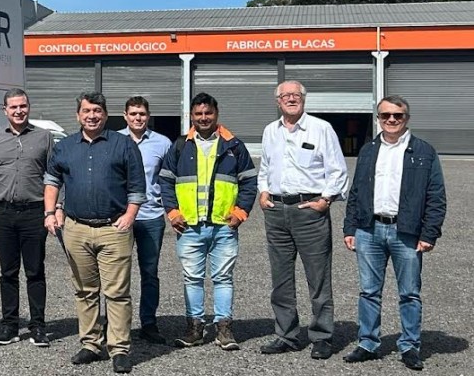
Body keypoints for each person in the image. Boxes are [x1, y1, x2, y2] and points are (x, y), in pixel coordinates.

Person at [43, 91, 145, 374]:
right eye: (86, 111)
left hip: (114, 228)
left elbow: (137, 186)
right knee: (85, 291)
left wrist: (129, 216)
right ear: (78, 115)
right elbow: (52, 181)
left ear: (106, 114)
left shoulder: (123, 145)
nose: (92, 116)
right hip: (76, 228)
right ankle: (91, 344)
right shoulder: (65, 146)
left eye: (97, 111)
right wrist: (50, 212)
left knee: (117, 292)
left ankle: (119, 349)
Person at [342, 95, 446, 371]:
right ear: (378, 118)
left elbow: (436, 196)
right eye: (385, 115)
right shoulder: (368, 150)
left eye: (397, 115)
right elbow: (356, 191)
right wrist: (350, 227)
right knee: (368, 291)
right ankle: (368, 343)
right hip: (369, 229)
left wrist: (429, 233)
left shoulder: (423, 151)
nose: (391, 120)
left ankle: (410, 346)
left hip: (406, 232)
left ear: (406, 118)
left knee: (409, 293)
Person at [256, 81, 348, 360]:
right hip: (276, 211)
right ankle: (287, 335)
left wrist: (325, 200)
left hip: (309, 212)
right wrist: (263, 192)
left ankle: (321, 336)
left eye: (296, 95)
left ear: (304, 99)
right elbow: (265, 167)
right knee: (281, 279)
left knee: (318, 278)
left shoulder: (321, 129)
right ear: (278, 101)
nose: (290, 99)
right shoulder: (270, 131)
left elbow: (337, 170)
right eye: (285, 95)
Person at [158, 92, 256, 352]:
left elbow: (249, 181)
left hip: (224, 225)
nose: (203, 118)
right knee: (192, 278)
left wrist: (241, 213)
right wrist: (172, 212)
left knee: (223, 277)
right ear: (191, 115)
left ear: (216, 113)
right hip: (189, 226)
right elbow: (165, 181)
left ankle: (224, 328)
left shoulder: (234, 146)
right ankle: (195, 328)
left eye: (208, 113)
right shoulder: (181, 146)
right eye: (198, 113)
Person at [0, 88, 53, 347]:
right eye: (13, 107)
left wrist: (55, 209)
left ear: (28, 107)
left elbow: (54, 176)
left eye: (23, 106)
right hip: (3, 212)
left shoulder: (44, 138)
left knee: (35, 271)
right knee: (8, 272)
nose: (19, 111)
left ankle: (38, 327)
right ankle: (9, 326)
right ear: (5, 110)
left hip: (34, 212)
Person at [117, 96, 173, 345]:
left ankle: (148, 323)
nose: (137, 118)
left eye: (142, 114)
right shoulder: (114, 140)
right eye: (133, 114)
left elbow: (169, 179)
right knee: (117, 273)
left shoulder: (163, 143)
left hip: (151, 216)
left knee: (149, 272)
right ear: (125, 116)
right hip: (120, 217)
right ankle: (117, 324)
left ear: (148, 116)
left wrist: (170, 208)